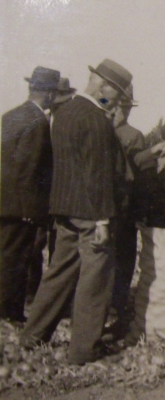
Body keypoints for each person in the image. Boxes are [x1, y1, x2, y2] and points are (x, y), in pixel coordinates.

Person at [20, 59, 131, 365]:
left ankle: (33, 336)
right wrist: (102, 220)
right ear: (103, 86)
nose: (117, 101)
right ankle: (83, 350)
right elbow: (97, 173)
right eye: (117, 95)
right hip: (91, 212)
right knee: (95, 281)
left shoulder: (63, 112)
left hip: (64, 208)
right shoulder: (96, 119)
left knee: (58, 273)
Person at [1, 66, 60, 323]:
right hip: (21, 207)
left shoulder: (11, 115)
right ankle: (9, 312)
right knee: (16, 260)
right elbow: (29, 167)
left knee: (5, 254)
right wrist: (28, 211)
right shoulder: (38, 123)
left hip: (5, 201)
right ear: (48, 94)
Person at [110, 84, 146, 331]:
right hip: (125, 208)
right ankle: (118, 305)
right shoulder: (133, 135)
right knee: (124, 259)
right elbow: (141, 178)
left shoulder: (100, 129)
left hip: (102, 208)